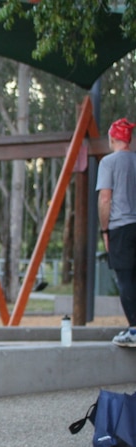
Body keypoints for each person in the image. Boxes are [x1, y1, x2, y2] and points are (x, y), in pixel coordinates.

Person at [96, 118, 136, 347]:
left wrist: (105, 230)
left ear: (112, 138)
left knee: (125, 278)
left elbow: (105, 198)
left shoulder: (109, 162)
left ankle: (133, 330)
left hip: (120, 226)